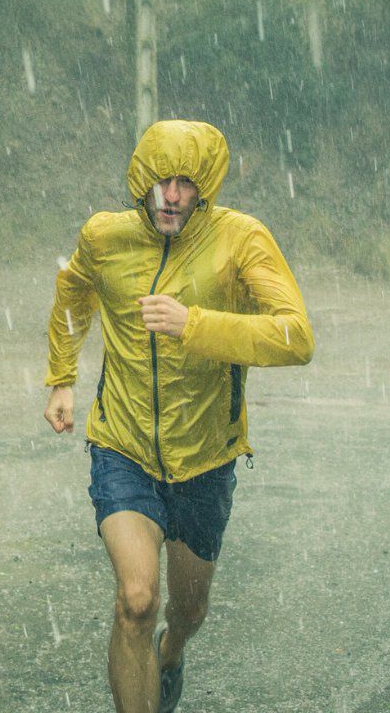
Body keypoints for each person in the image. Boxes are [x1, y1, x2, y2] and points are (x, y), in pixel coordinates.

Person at [42, 119, 314, 713]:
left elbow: (296, 336)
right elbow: (73, 293)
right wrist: (62, 377)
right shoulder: (105, 237)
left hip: (205, 459)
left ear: (206, 188)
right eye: (162, 180)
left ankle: (173, 652)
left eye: (187, 183)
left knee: (186, 610)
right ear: (141, 180)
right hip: (124, 447)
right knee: (136, 599)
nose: (173, 194)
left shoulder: (240, 239)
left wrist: (196, 325)